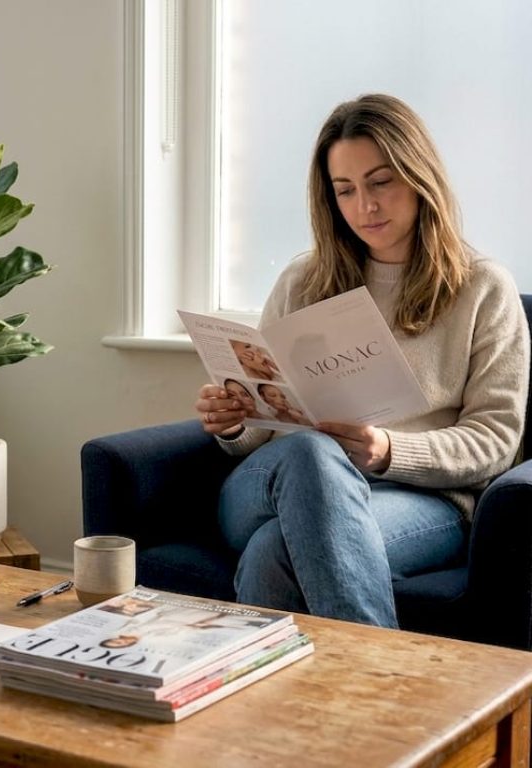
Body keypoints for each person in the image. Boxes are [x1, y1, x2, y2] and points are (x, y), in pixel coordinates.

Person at [194, 94, 530, 628]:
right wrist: (234, 421)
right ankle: (388, 689)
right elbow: (262, 431)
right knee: (308, 450)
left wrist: (389, 450)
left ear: (419, 177)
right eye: (344, 190)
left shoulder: (484, 287)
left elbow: (495, 440)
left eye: (380, 182)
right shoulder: (302, 281)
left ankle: (276, 707)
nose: (364, 207)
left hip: (420, 499)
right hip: (272, 483)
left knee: (274, 553)